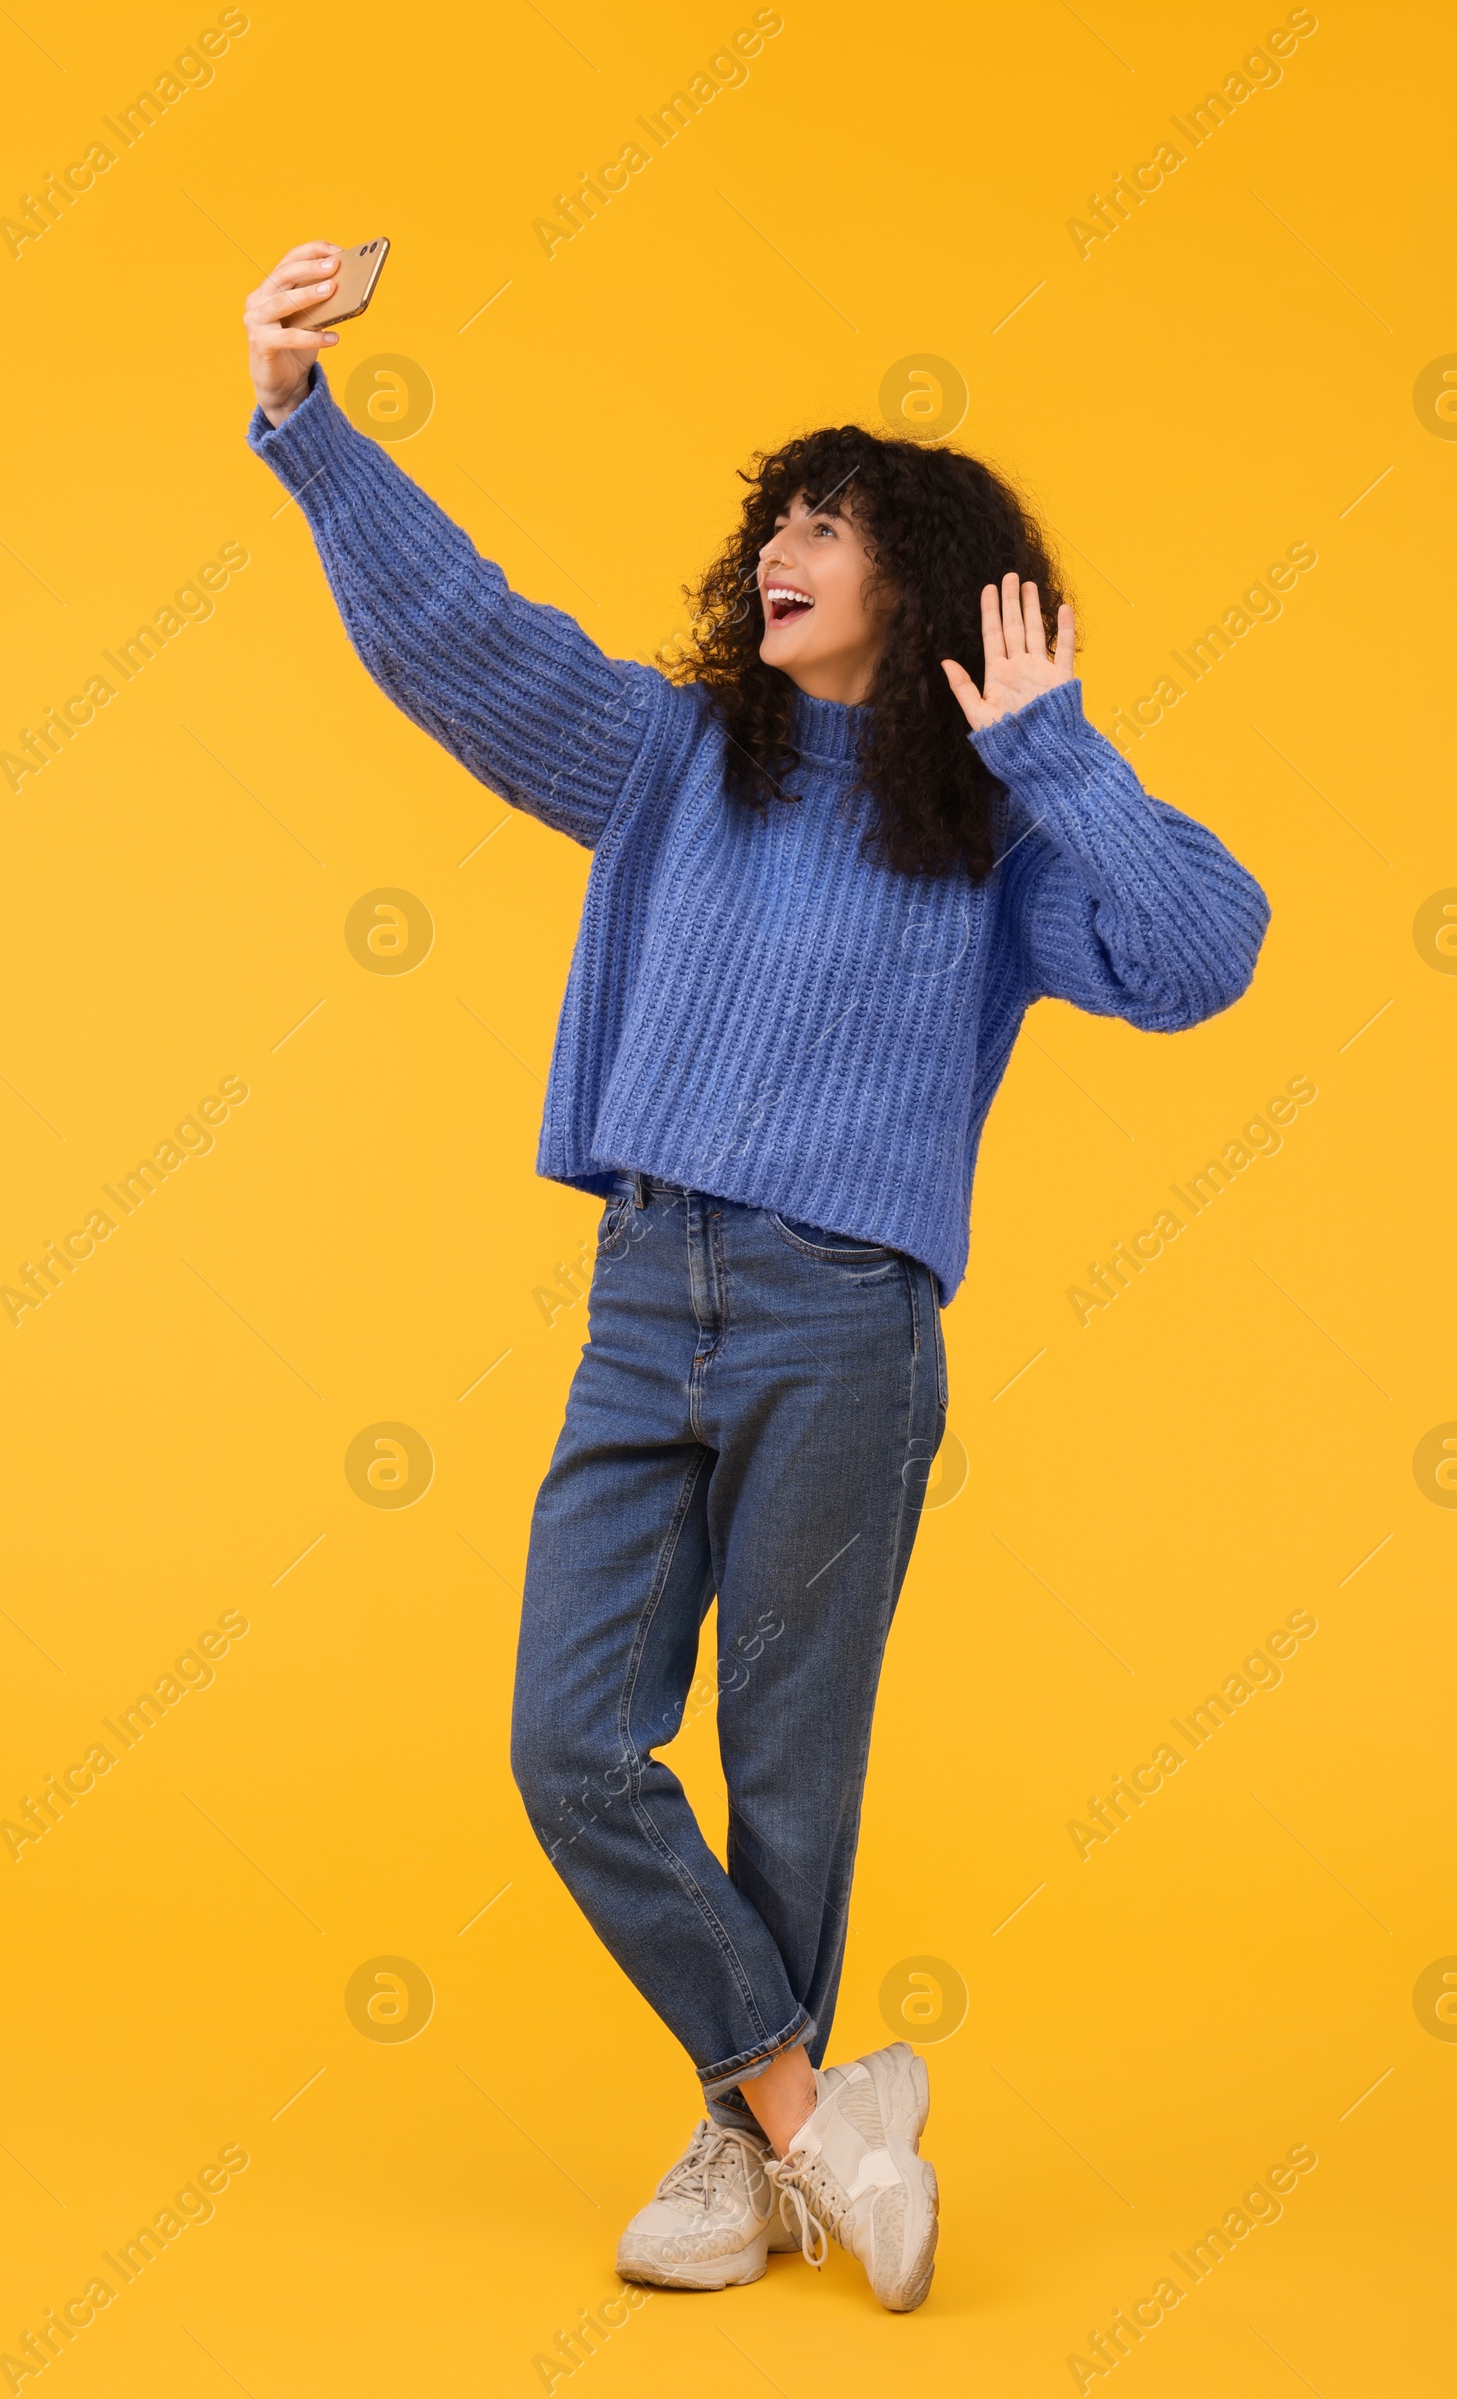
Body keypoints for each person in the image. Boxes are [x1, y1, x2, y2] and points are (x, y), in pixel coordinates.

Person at [244, 243, 1271, 2313]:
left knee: (786, 1766)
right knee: (570, 1744)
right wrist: (300, 419)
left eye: (833, 526)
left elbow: (1202, 954)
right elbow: (458, 641)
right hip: (650, 1299)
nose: (782, 550)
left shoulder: (988, 838)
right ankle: (811, 2113)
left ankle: (733, 2150)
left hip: (843, 1326)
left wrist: (1057, 756)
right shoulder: (666, 763)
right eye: (775, 523)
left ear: (924, 586)